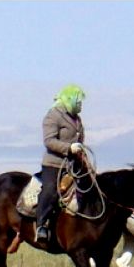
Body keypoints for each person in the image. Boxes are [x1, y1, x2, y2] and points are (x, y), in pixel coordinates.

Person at [35, 84, 86, 243]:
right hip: (54, 164)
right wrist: (69, 148)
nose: (80, 104)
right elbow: (49, 141)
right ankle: (41, 225)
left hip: (74, 165)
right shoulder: (53, 116)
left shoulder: (77, 119)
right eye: (78, 100)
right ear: (69, 99)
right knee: (50, 190)